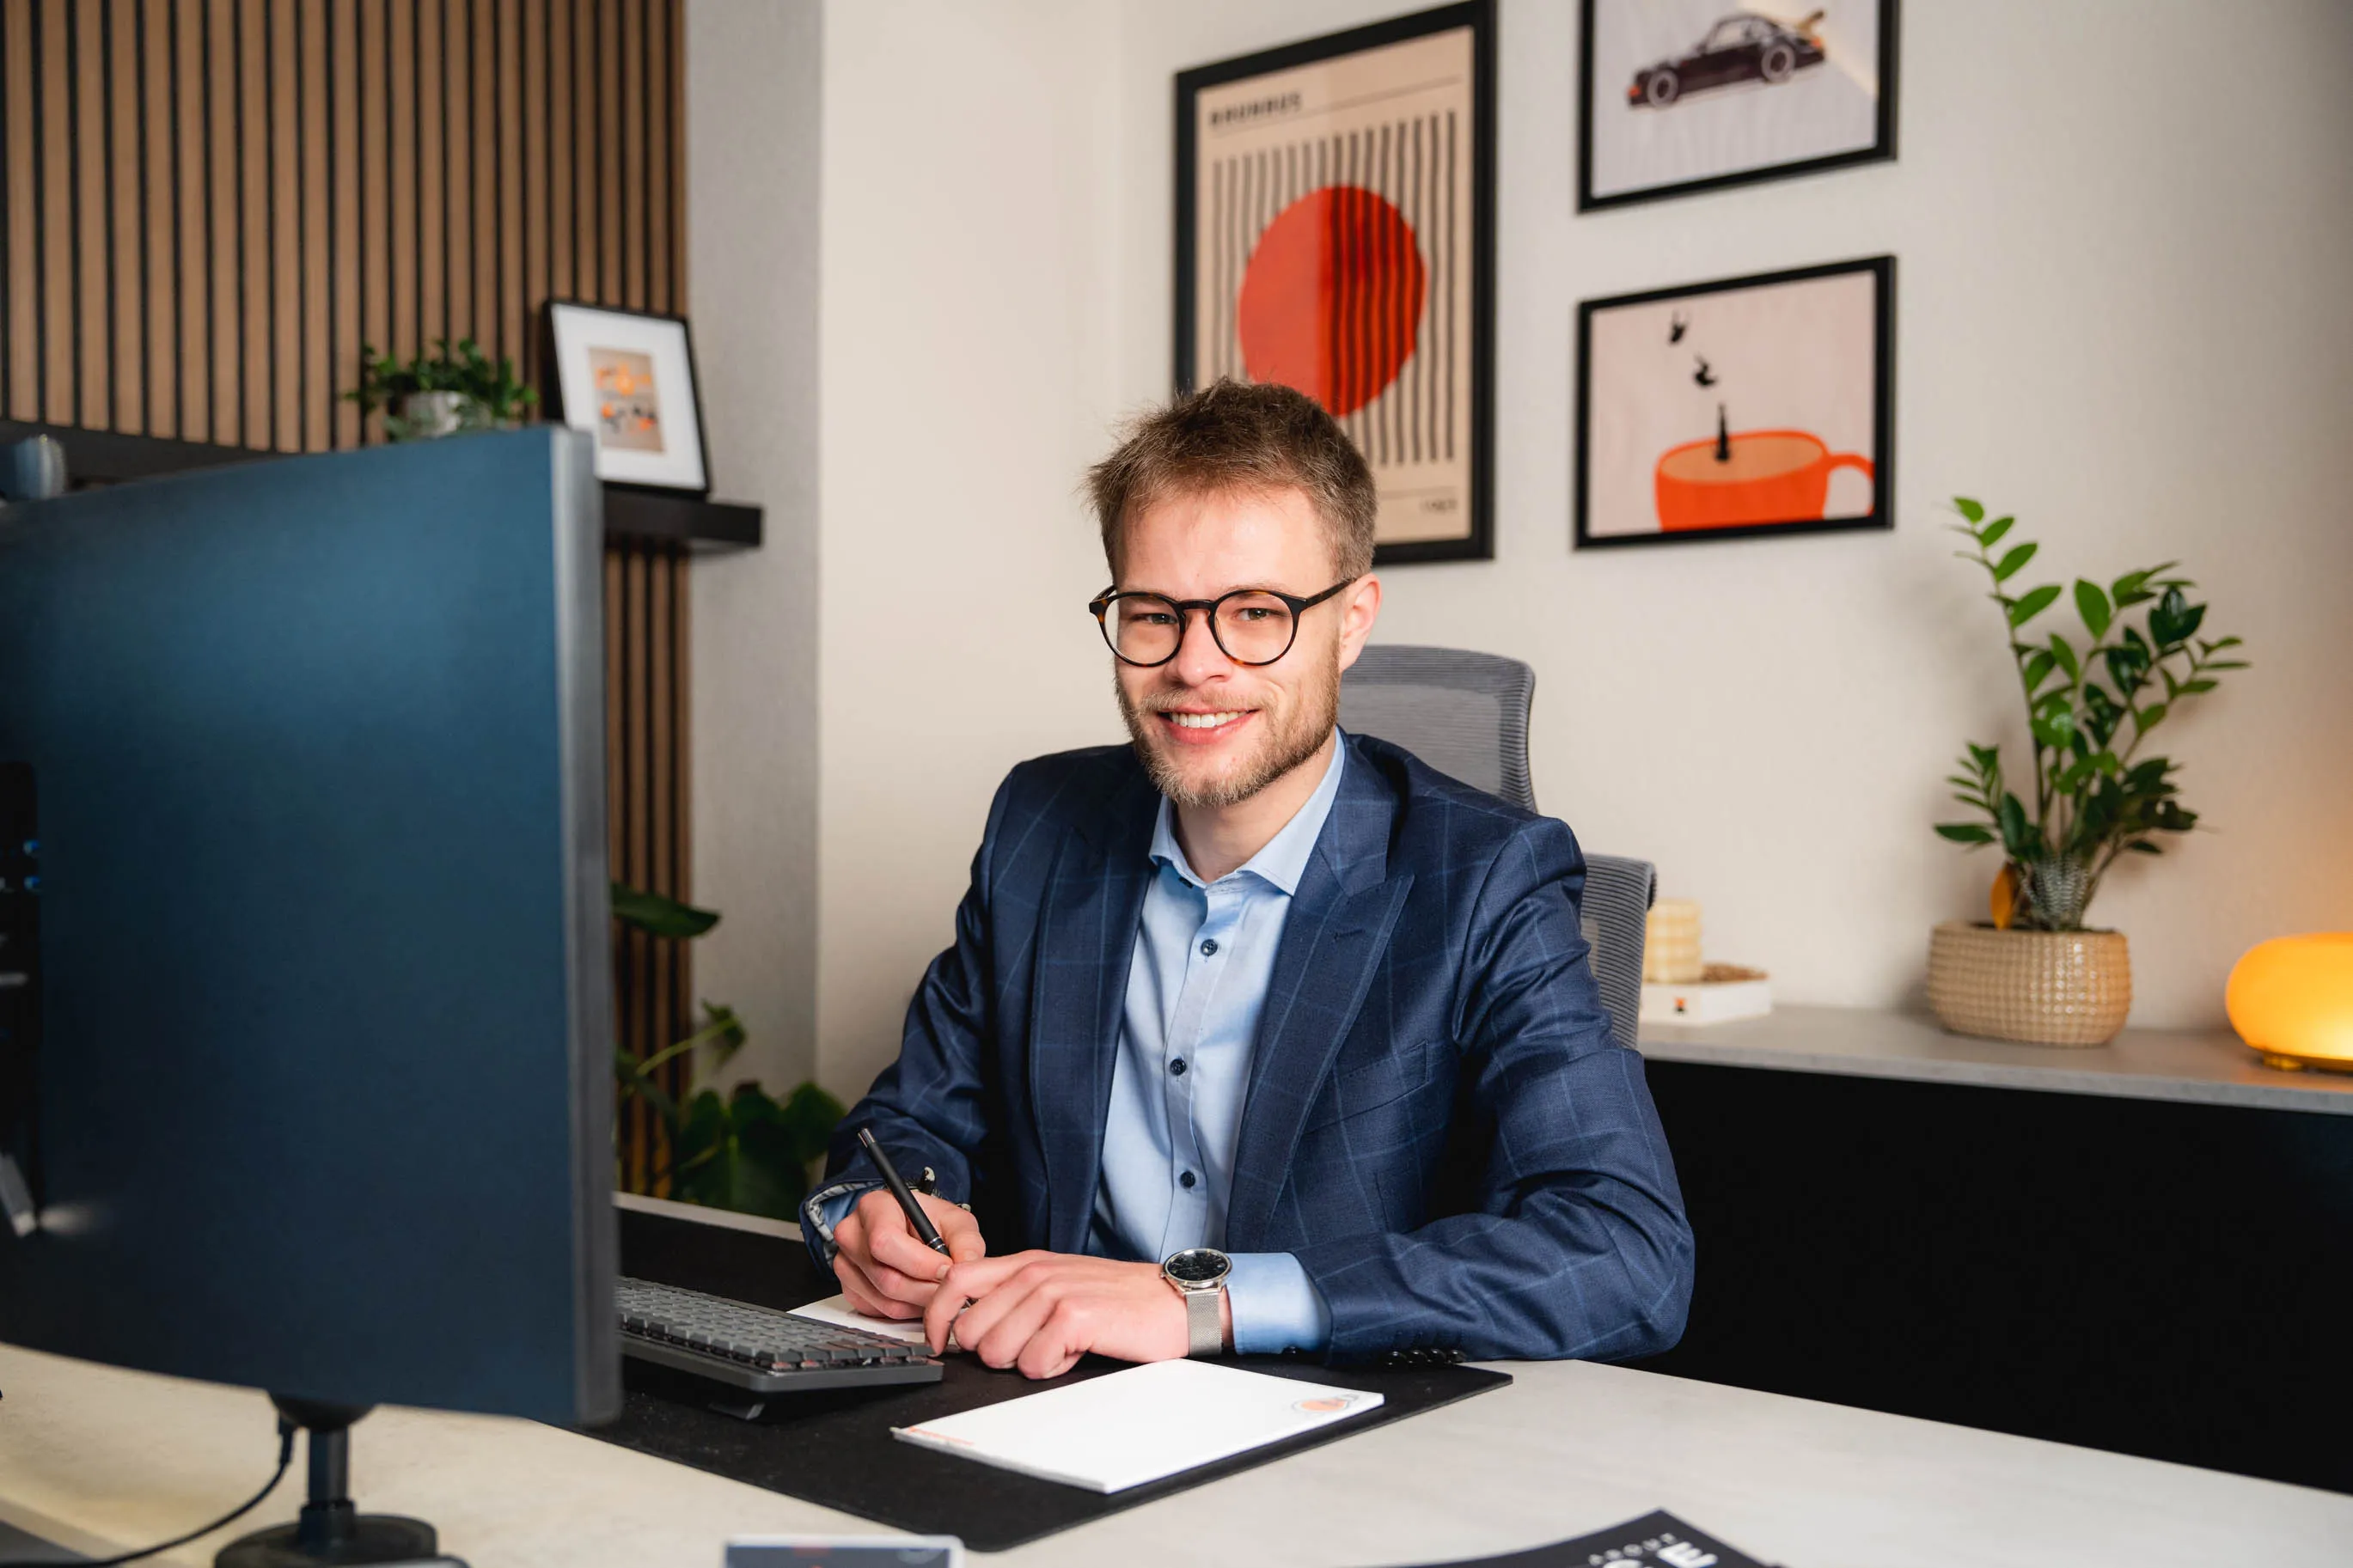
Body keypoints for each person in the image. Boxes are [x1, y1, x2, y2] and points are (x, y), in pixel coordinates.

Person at [803, 380, 1692, 1378]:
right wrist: (876, 1210)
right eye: (1153, 614)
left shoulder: (1484, 877)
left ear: (1350, 621)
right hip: (1047, 1391)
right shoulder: (1040, 825)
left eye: (1256, 613)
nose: (1195, 665)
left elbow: (1625, 1253)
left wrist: (1201, 1301)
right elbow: (910, 1121)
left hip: (1331, 1423)